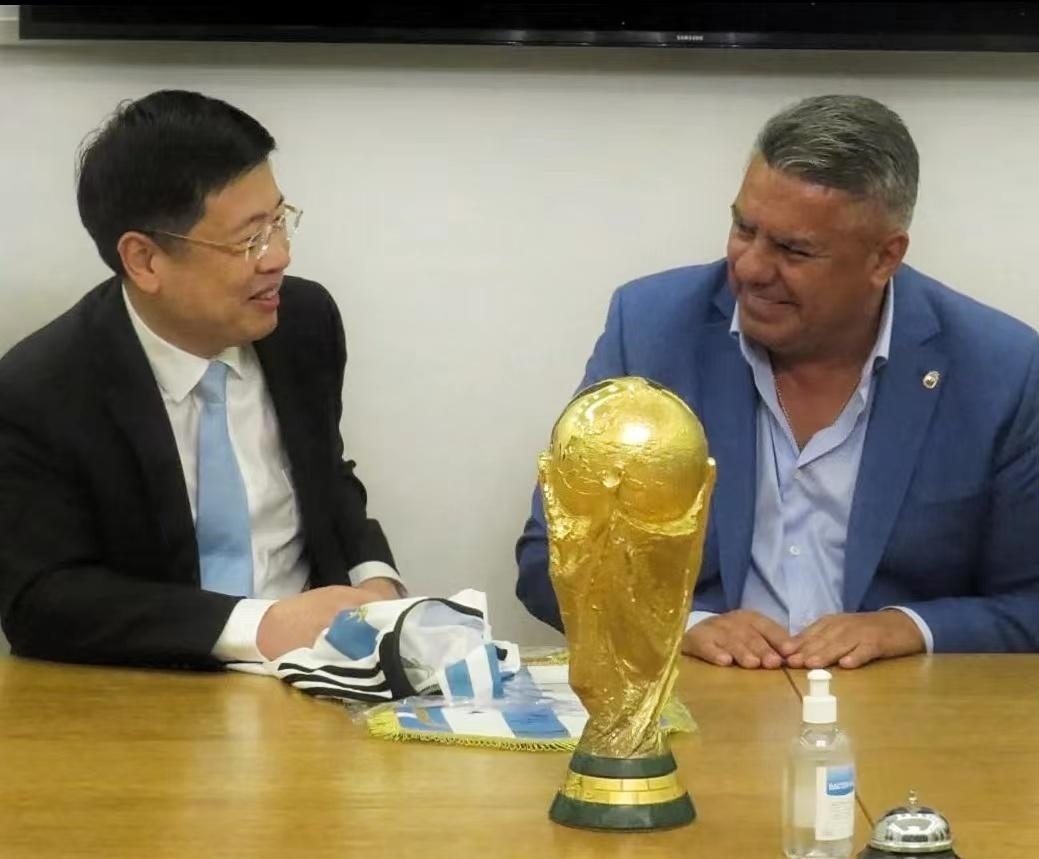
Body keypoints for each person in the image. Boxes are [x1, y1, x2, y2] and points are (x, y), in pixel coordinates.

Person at [516, 94, 1039, 670]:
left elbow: (1031, 601)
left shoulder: (1001, 370)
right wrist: (683, 625)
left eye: (794, 250)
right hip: (709, 696)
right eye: (744, 228)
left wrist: (906, 627)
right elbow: (550, 559)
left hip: (894, 704)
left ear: (883, 258)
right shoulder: (650, 331)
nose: (750, 268)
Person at [0, 90, 402, 669]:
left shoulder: (304, 323)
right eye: (249, 239)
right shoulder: (41, 390)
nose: (279, 257)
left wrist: (374, 581)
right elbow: (43, 601)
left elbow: (326, 476)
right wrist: (259, 627)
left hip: (318, 676)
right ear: (144, 260)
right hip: (151, 687)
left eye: (279, 221)